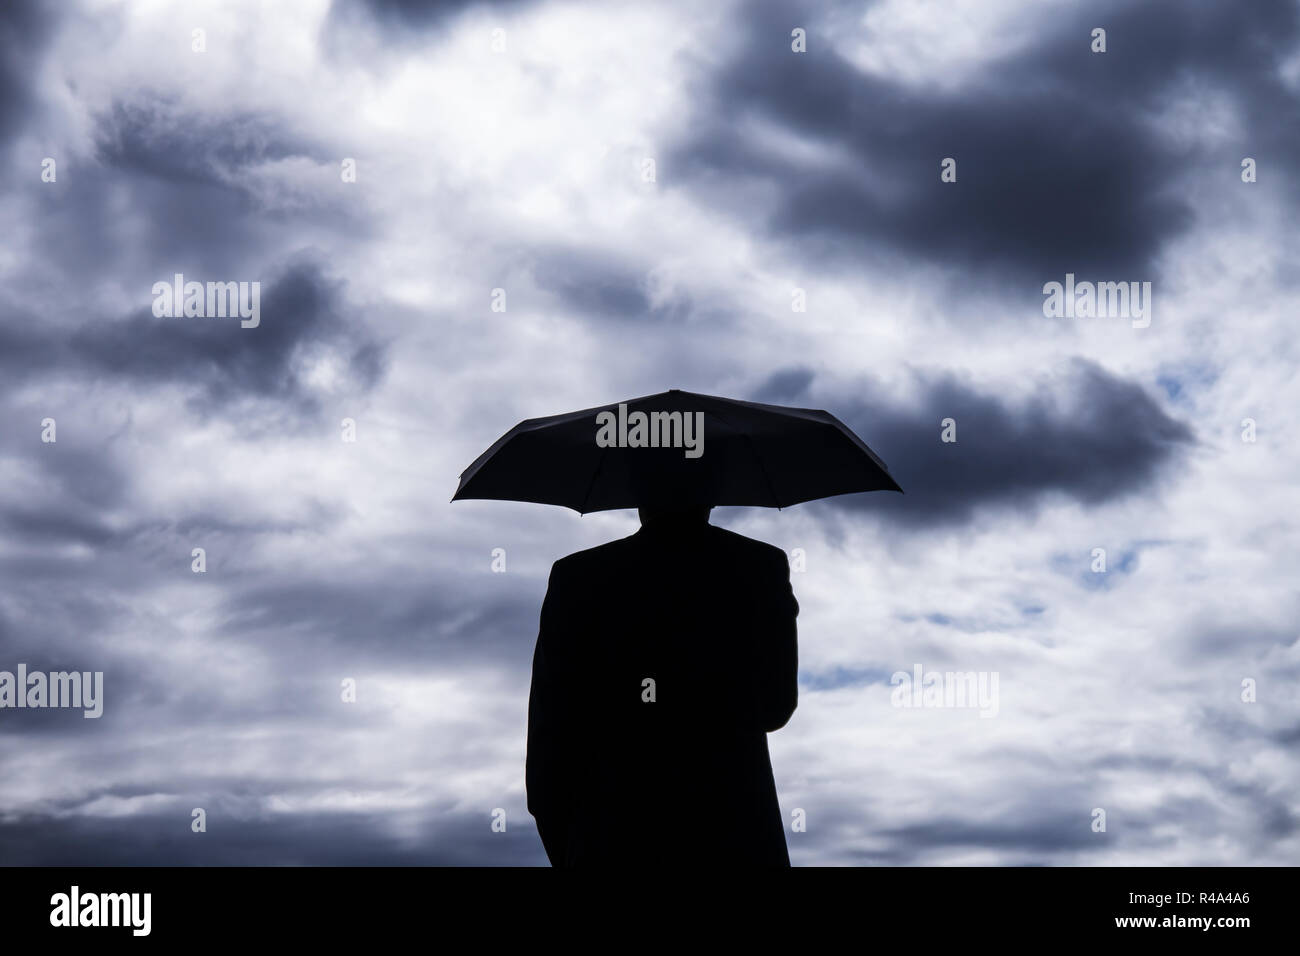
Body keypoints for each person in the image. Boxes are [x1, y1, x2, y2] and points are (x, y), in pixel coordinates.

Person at [526, 504, 799, 866]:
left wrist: (574, 847)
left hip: (612, 835)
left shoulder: (578, 576)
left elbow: (550, 734)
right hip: (736, 833)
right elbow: (776, 705)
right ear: (713, 492)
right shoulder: (759, 565)